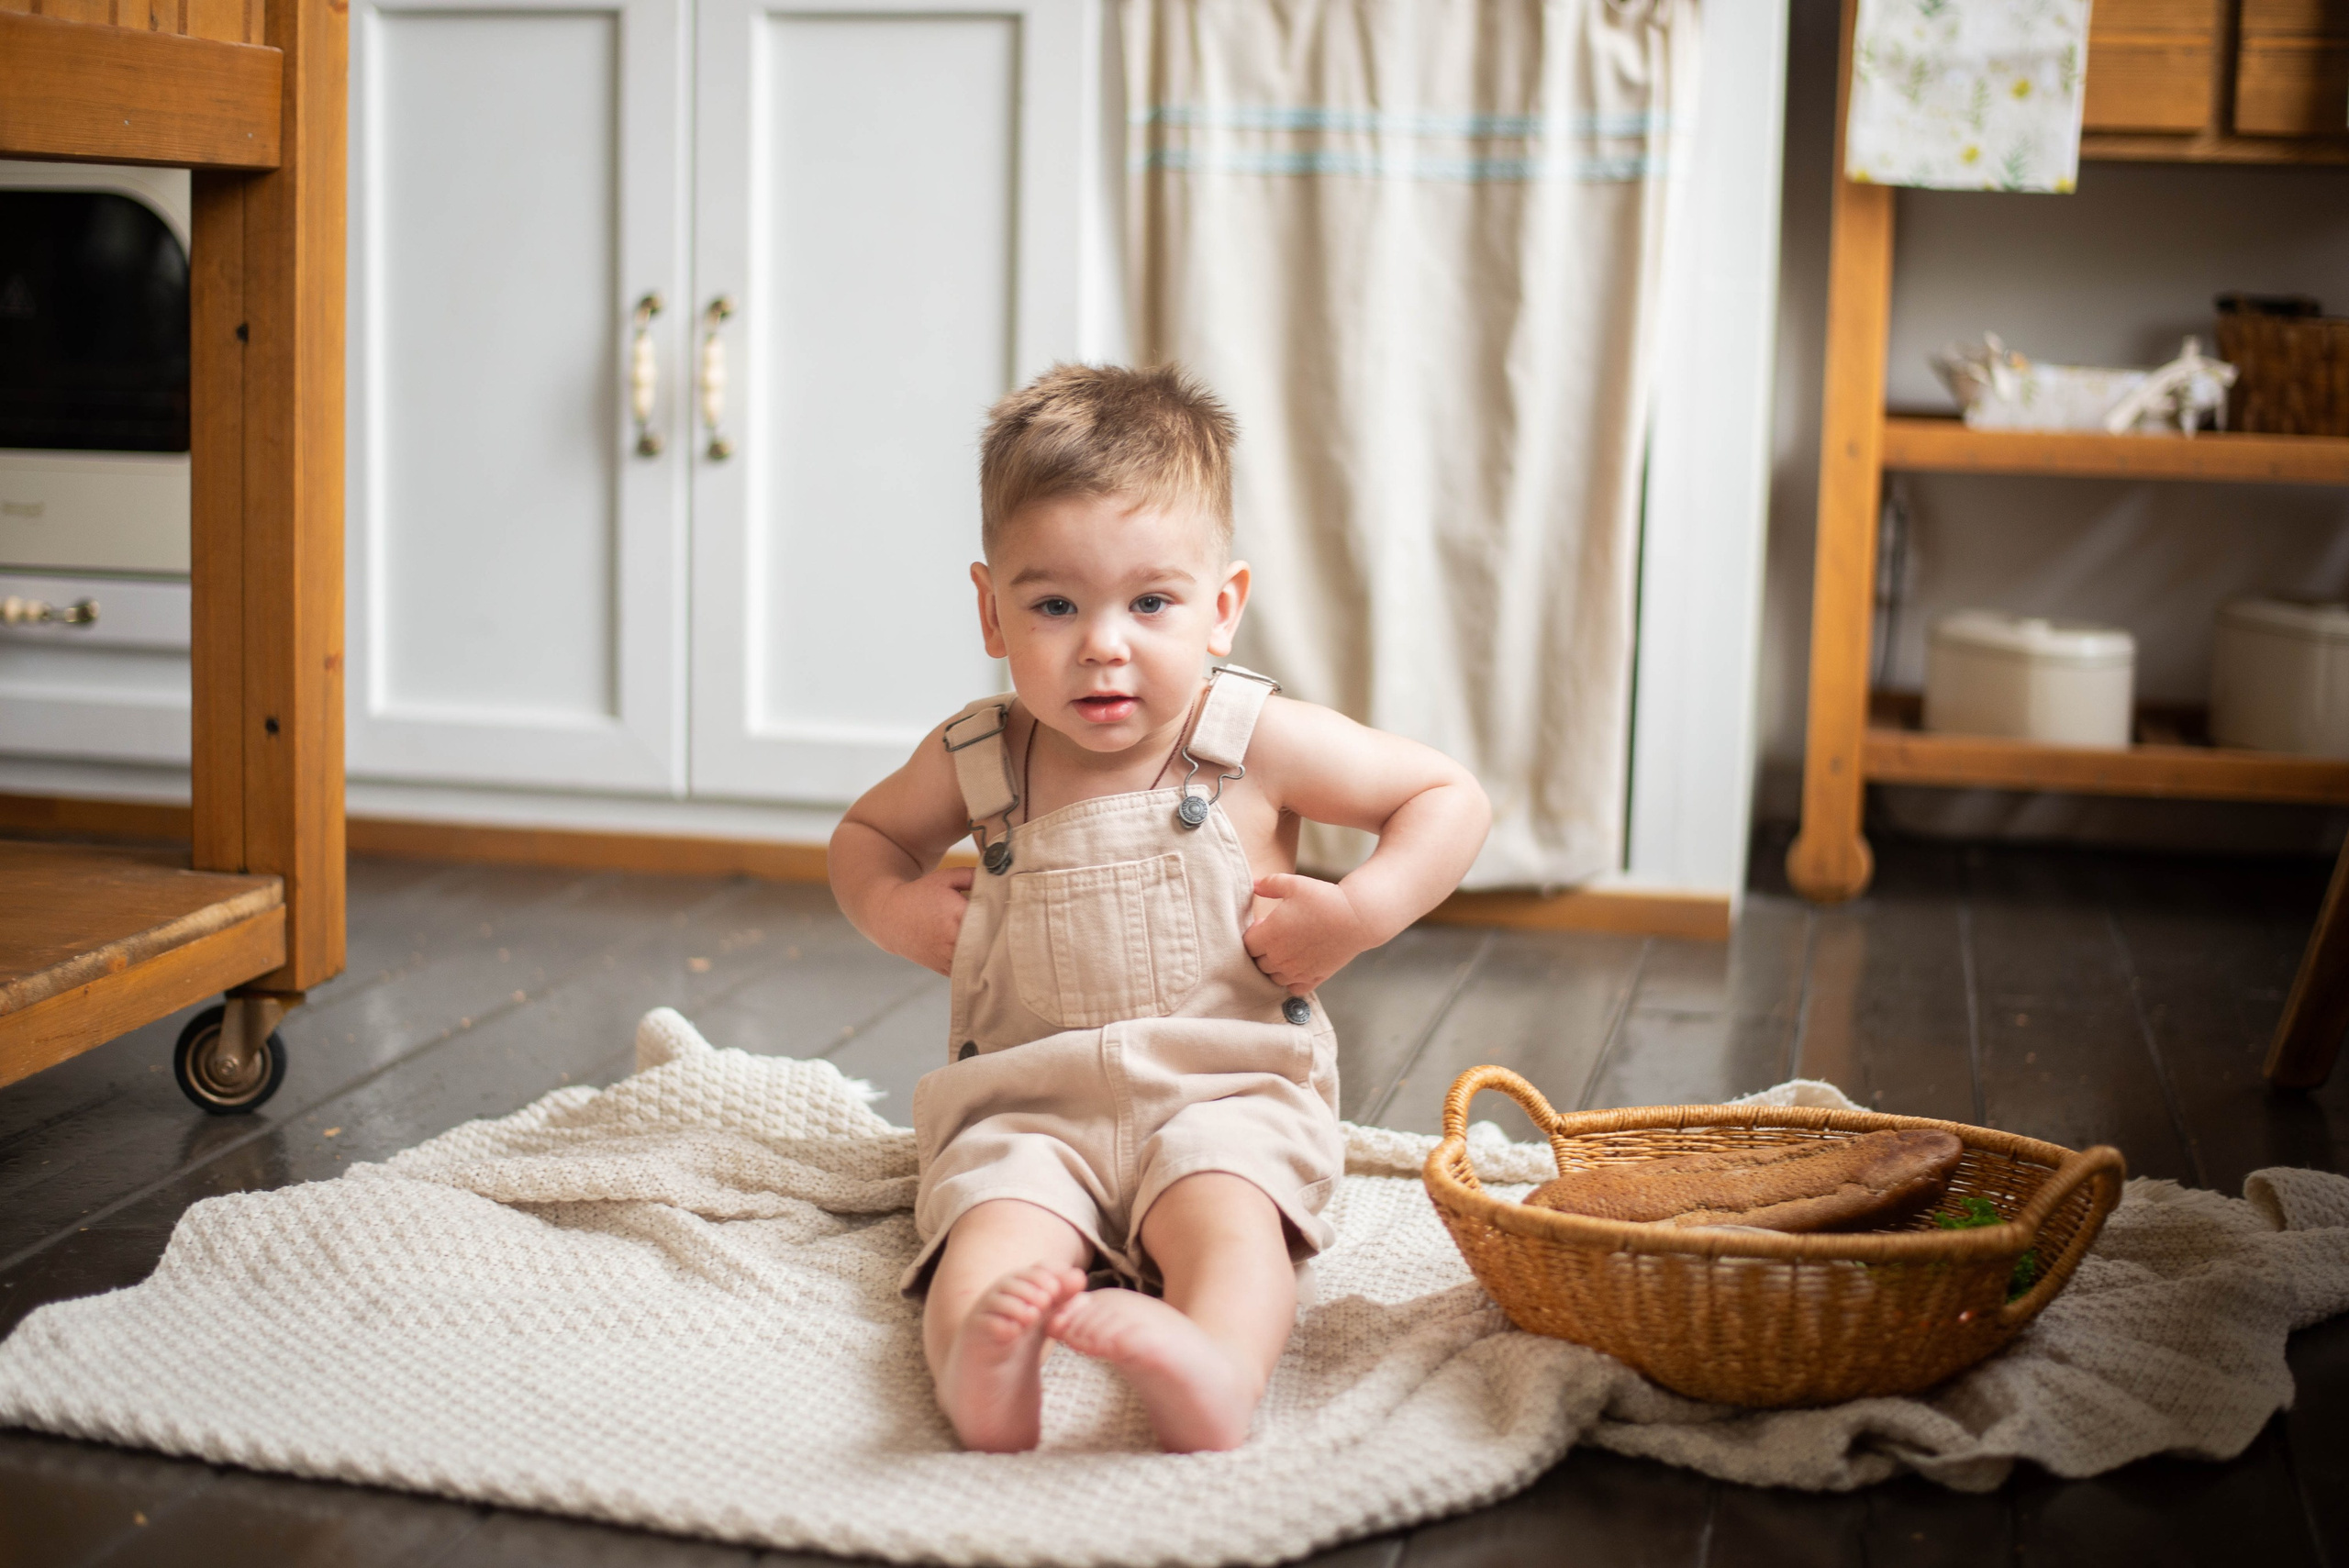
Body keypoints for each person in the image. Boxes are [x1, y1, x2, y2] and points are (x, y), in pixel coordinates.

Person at [829, 363, 1490, 1453]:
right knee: (993, 1228)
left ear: (1220, 606)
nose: (1103, 642)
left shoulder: (1253, 738)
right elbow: (863, 839)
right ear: (991, 609)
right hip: (1025, 1103)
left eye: (1150, 602)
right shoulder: (978, 753)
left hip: (1223, 1091)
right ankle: (979, 1369)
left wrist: (1357, 910)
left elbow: (1445, 797)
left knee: (1229, 1220)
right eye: (1054, 604)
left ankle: (1215, 1370)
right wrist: (897, 907)